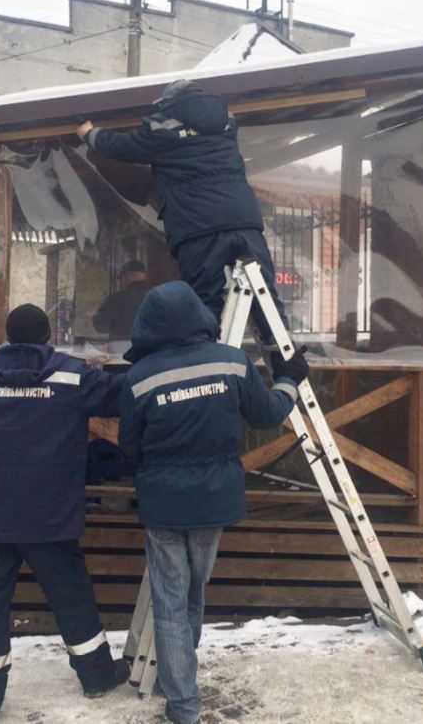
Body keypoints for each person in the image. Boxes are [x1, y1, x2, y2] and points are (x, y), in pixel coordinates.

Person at [118, 282, 306, 724]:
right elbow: (268, 414)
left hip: (163, 504)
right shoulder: (231, 362)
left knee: (169, 600)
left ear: (148, 324)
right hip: (214, 501)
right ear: (198, 315)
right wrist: (290, 379)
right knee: (193, 593)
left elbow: (130, 445)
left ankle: (182, 701)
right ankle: (181, 677)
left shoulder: (139, 378)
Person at [0, 304, 130, 724]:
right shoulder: (72, 374)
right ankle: (97, 676)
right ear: (49, 335)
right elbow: (121, 396)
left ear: (8, 336)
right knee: (71, 597)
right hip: (49, 516)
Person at [77, 80, 290, 353]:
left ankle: (205, 364)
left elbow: (121, 146)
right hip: (243, 220)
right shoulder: (226, 123)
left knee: (205, 302)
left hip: (197, 228)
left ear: (167, 104)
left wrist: (89, 133)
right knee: (265, 295)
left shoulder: (162, 129)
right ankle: (286, 359)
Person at [92, 260, 151, 340]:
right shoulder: (158, 299)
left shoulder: (116, 299)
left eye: (121, 278)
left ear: (126, 277)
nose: (122, 282)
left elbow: (101, 326)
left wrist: (95, 317)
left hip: (120, 350)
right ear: (144, 277)